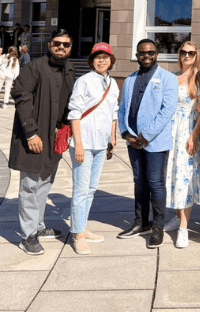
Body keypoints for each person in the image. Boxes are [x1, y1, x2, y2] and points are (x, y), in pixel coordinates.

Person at [8, 29, 76, 255]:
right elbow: (21, 95)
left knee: (45, 181)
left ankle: (38, 225)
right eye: (57, 43)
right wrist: (30, 133)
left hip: (54, 136)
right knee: (29, 185)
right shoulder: (35, 67)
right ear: (49, 45)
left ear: (70, 47)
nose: (61, 47)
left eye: (66, 44)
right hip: (34, 135)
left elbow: (69, 101)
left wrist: (67, 127)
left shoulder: (69, 69)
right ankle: (28, 235)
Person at [117, 39, 178, 248]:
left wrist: (146, 135)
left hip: (155, 142)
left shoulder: (168, 79)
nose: (146, 56)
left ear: (156, 54)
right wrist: (126, 133)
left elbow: (167, 110)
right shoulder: (129, 80)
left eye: (151, 52)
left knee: (155, 183)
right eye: (142, 53)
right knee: (139, 182)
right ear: (137, 55)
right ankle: (141, 222)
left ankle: (157, 227)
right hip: (133, 141)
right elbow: (122, 108)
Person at [68, 43, 120, 255]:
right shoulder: (83, 81)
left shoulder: (113, 84)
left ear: (111, 61)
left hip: (101, 144)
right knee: (81, 190)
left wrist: (112, 138)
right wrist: (78, 144)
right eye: (98, 57)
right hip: (84, 143)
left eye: (105, 57)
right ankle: (78, 235)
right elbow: (74, 112)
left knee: (91, 189)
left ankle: (82, 226)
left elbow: (113, 112)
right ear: (92, 61)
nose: (102, 61)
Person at [163, 41, 200, 249]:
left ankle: (184, 227)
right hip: (171, 132)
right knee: (172, 175)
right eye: (183, 52)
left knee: (185, 177)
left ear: (196, 55)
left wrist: (194, 135)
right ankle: (177, 215)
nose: (187, 55)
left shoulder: (199, 78)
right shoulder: (171, 77)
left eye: (191, 53)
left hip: (188, 131)